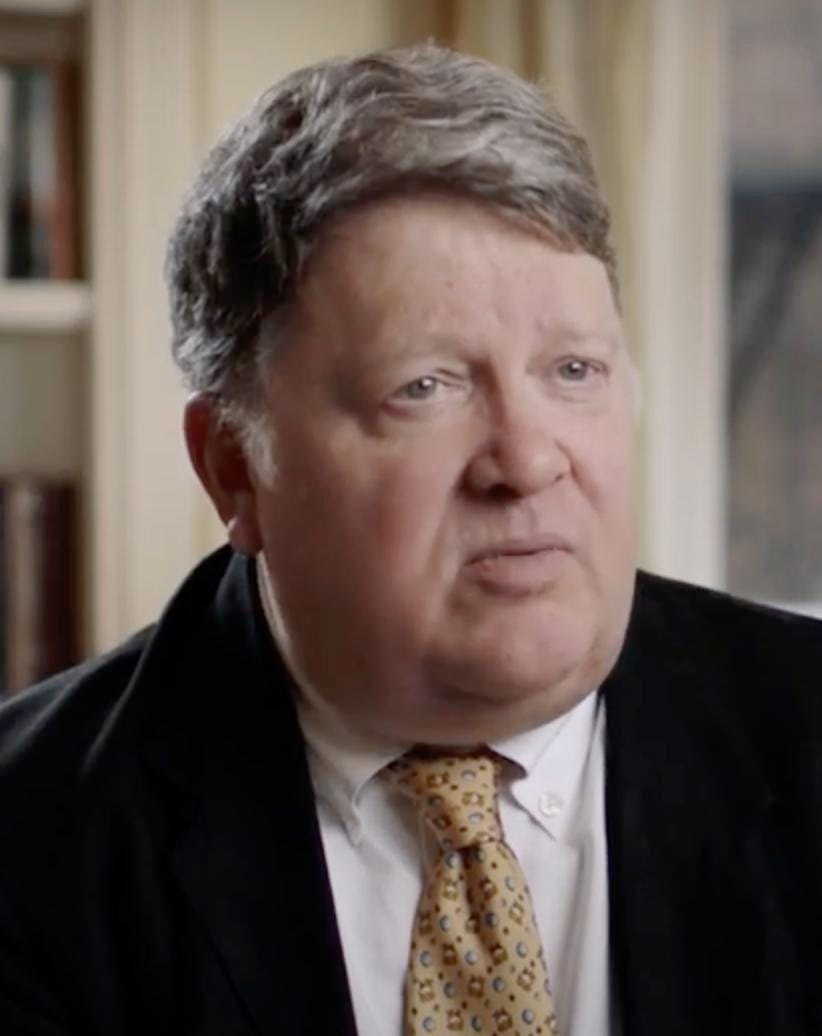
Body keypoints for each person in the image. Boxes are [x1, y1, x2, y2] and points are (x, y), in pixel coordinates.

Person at [1, 43, 820, 1036]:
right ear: (233, 467)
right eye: (424, 387)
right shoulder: (32, 840)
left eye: (573, 371)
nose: (527, 461)